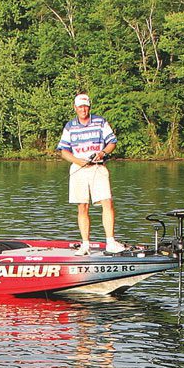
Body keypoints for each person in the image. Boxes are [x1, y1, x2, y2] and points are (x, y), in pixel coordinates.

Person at [57, 94, 124, 255]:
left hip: (97, 167)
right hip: (78, 168)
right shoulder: (70, 126)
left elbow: (112, 142)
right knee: (82, 206)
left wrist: (102, 153)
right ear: (75, 108)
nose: (83, 109)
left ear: (89, 107)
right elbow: (63, 151)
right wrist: (77, 161)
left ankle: (110, 241)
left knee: (107, 202)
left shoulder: (100, 122)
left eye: (85, 106)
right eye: (80, 106)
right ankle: (85, 244)